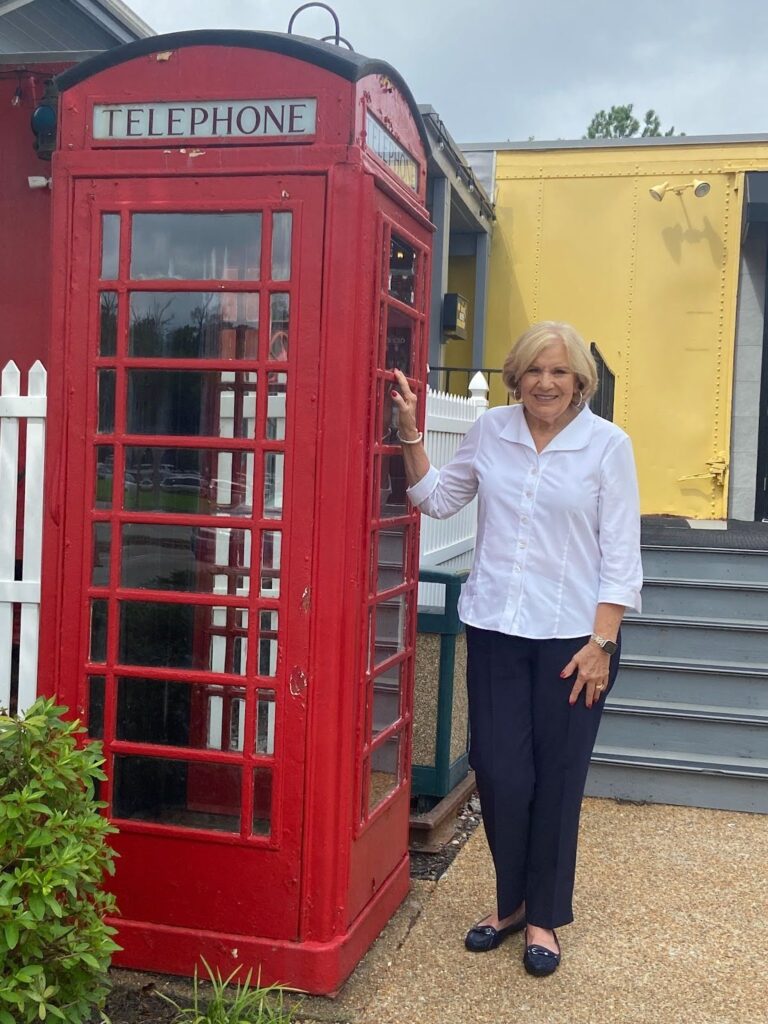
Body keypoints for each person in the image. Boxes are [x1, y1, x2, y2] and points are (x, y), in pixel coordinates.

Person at [392, 321, 642, 977]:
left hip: (574, 640)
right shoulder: (491, 433)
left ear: (580, 381)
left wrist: (603, 642)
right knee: (500, 773)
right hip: (497, 627)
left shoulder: (607, 447)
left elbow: (621, 556)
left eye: (560, 372)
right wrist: (411, 434)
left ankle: (540, 918)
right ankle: (511, 900)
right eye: (535, 370)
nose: (546, 383)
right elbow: (438, 499)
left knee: (558, 781)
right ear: (516, 376)